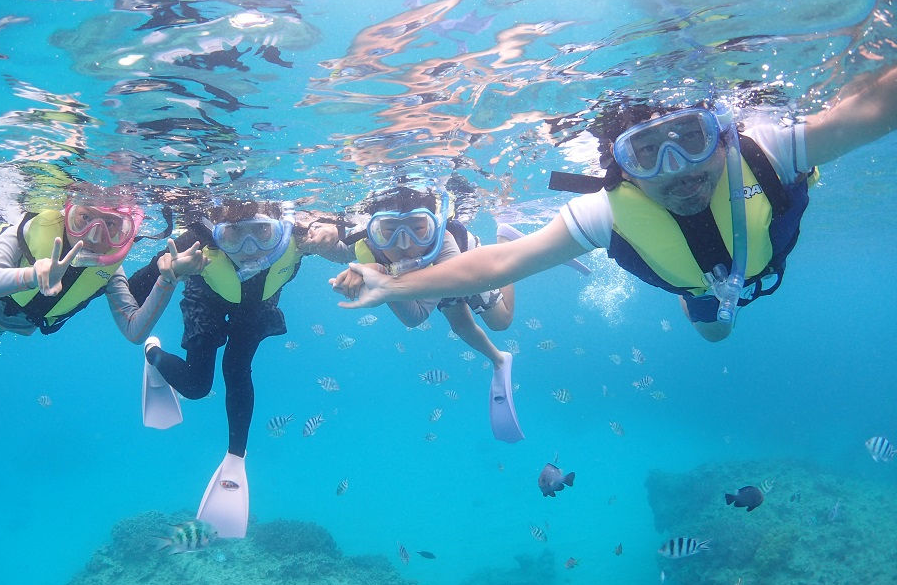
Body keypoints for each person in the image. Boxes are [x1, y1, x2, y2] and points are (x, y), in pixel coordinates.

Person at [332, 65, 897, 342]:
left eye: (692, 137)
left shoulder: (767, 151)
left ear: (723, 135)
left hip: (759, 259)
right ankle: (697, 301)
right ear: (620, 167)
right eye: (646, 153)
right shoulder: (605, 210)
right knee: (714, 333)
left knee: (718, 330)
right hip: (698, 290)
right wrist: (394, 287)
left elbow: (873, 108)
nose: (676, 168)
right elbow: (501, 262)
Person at [130, 197, 336, 538]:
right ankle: (153, 354)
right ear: (217, 231)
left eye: (262, 233)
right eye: (234, 235)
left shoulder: (301, 235)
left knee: (237, 368)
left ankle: (235, 457)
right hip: (206, 296)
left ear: (280, 228)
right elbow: (134, 288)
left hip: (258, 303)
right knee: (196, 387)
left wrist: (332, 234)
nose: (249, 249)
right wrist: (169, 271)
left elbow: (355, 242)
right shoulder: (196, 240)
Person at [321, 185, 523, 442]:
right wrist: (319, 241)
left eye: (418, 229)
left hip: (461, 269)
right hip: (432, 282)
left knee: (501, 321)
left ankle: (505, 242)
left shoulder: (445, 244)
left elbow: (418, 314)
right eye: (390, 232)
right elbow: (340, 251)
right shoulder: (368, 242)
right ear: (373, 231)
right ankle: (499, 359)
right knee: (460, 325)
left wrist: (380, 275)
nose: (404, 244)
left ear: (433, 226)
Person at [0, 184, 204, 357]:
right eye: (85, 218)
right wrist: (33, 276)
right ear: (68, 212)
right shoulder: (34, 226)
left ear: (126, 231)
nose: (94, 236)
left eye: (111, 224)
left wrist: (168, 279)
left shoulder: (110, 273)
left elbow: (134, 331)